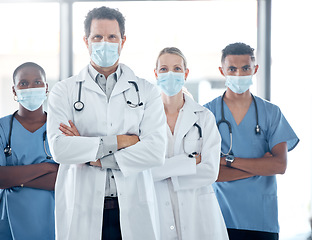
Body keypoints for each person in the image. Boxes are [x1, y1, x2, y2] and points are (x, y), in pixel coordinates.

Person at [47, 6, 166, 240]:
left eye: (112, 37)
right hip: (83, 205)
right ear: (86, 41)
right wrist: (123, 141)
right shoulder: (64, 91)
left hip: (132, 205)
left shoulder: (146, 91)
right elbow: (60, 149)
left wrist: (94, 156)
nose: (105, 43)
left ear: (123, 40)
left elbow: (155, 151)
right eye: (97, 37)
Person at [204, 42, 299, 240]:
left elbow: (279, 165)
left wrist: (228, 161)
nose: (239, 74)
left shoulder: (272, 113)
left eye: (245, 68)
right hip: (221, 218)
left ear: (255, 69)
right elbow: (209, 172)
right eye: (232, 68)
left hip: (262, 220)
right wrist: (260, 167)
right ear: (222, 71)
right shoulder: (207, 114)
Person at [0, 62, 58, 240]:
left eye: (37, 82)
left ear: (46, 87)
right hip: (6, 223)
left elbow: (62, 179)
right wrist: (46, 167)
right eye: (24, 83)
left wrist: (12, 179)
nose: (31, 88)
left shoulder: (59, 129)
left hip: (50, 222)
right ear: (14, 90)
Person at [151, 47, 229, 240]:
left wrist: (165, 172)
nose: (170, 74)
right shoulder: (145, 119)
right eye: (164, 69)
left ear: (186, 73)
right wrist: (189, 162)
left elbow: (210, 171)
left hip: (199, 212)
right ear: (156, 74)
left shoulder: (203, 117)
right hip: (158, 209)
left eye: (177, 68)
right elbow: (144, 170)